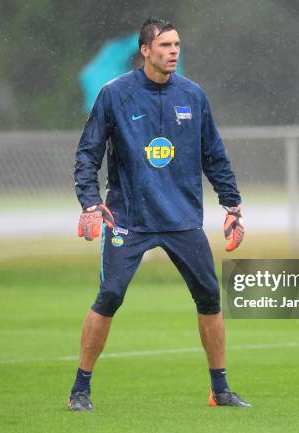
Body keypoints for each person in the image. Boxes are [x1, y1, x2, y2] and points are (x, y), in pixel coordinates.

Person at [69, 17, 249, 411]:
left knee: (210, 297)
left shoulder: (193, 96)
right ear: (145, 50)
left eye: (177, 45)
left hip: (182, 218)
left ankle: (220, 390)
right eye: (165, 46)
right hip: (128, 219)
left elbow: (214, 155)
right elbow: (88, 154)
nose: (173, 52)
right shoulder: (114, 95)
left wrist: (231, 205)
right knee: (110, 294)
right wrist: (89, 201)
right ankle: (79, 391)